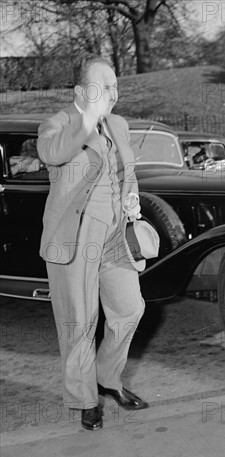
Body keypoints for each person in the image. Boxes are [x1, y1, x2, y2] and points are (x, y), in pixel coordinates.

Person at [37, 54, 148, 431]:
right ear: (81, 92)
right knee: (80, 324)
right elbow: (52, 153)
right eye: (104, 87)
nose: (113, 94)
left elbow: (126, 171)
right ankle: (86, 400)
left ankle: (106, 377)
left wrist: (131, 197)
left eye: (116, 86)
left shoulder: (119, 124)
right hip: (76, 237)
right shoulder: (59, 124)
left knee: (130, 309)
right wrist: (87, 119)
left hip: (114, 234)